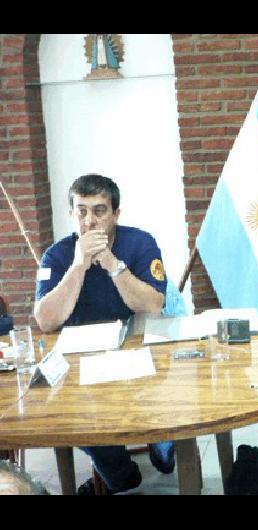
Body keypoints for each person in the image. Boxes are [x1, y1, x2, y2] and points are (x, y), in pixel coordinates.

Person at [34, 173, 173, 495]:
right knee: (77, 418)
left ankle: (160, 438)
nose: (89, 221)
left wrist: (111, 263)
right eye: (81, 211)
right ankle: (122, 475)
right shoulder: (56, 255)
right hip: (81, 359)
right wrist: (78, 266)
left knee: (167, 402)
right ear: (71, 214)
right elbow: (46, 321)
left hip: (138, 348)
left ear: (116, 214)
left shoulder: (140, 243)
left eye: (99, 211)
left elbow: (153, 305)